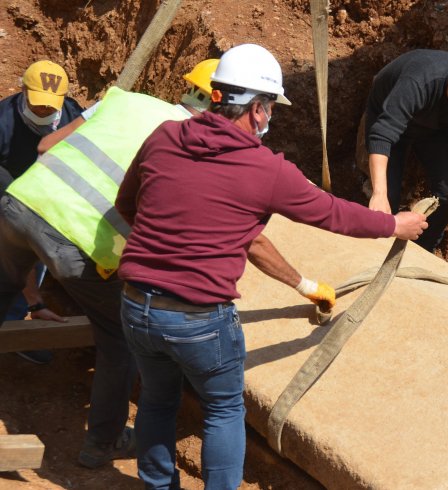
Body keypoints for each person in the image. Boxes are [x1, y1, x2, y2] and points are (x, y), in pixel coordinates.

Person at [115, 43, 427, 489]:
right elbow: (333, 213)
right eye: (269, 109)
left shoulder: (165, 135)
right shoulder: (265, 169)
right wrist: (393, 224)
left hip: (135, 305)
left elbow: (127, 204)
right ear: (257, 109)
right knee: (223, 410)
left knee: (159, 401)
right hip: (200, 318)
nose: (269, 119)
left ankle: (156, 485)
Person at [0, 60, 336, 470]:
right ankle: (101, 444)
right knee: (118, 340)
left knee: (1, 293)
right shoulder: (188, 147)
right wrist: (304, 285)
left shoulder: (126, 100)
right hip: (73, 241)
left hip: (18, 206)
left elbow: (45, 147)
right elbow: (253, 242)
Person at [357, 49, 448, 251]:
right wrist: (379, 193)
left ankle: (422, 250)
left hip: (435, 125)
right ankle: (377, 252)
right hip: (388, 112)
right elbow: (383, 134)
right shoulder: (420, 79)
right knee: (386, 201)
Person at [0, 60, 83, 363]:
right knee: (11, 268)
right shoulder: (3, 123)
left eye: (51, 106)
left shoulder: (73, 114)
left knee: (37, 262)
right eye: (38, 105)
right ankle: (14, 326)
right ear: (22, 90)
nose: (45, 111)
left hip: (50, 202)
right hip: (8, 199)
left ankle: (22, 320)